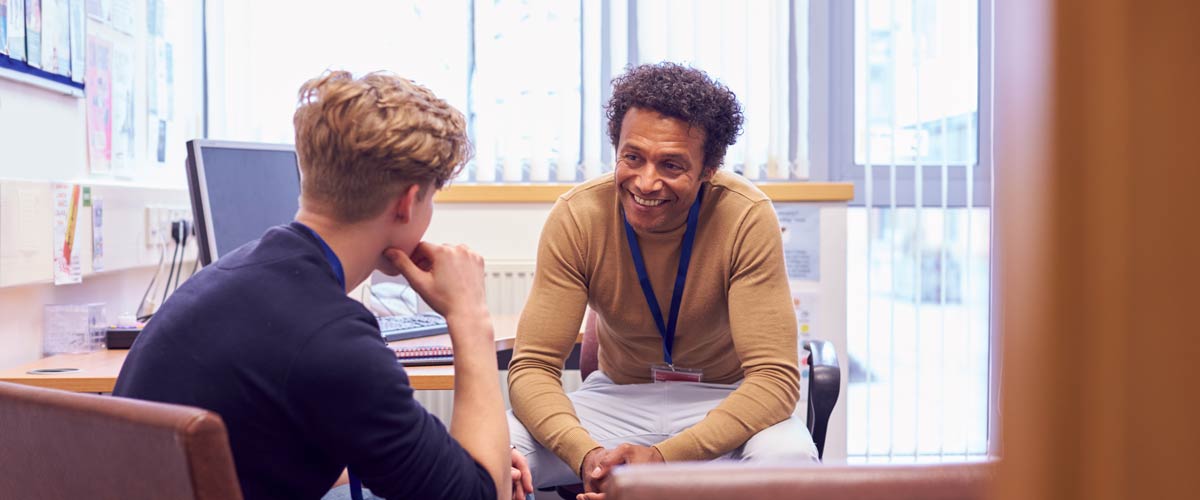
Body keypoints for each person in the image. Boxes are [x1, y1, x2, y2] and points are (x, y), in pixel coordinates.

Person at [114, 71, 532, 500]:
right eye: (432, 197)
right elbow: (483, 495)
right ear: (407, 203)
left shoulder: (224, 278)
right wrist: (469, 316)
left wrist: (454, 458)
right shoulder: (334, 341)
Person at [507, 62, 818, 498]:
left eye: (671, 165)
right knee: (493, 455)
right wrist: (587, 455)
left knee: (789, 463)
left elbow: (773, 380)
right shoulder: (578, 216)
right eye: (632, 157)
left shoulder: (746, 216)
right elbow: (533, 368)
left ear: (708, 169)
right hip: (616, 402)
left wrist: (662, 460)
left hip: (725, 400)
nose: (646, 182)